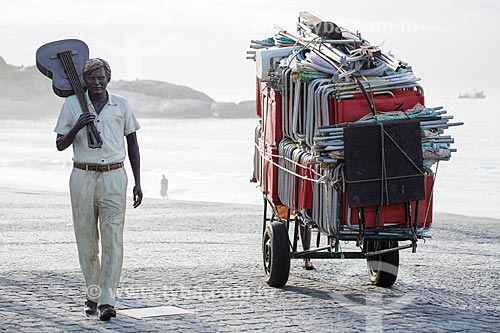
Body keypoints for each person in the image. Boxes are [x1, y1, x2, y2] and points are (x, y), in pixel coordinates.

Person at [54, 58, 142, 321]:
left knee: (113, 239)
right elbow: (60, 144)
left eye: (101, 77)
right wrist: (79, 125)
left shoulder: (122, 105)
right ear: (85, 80)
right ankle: (92, 293)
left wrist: (138, 181)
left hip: (115, 176)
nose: (97, 82)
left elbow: (133, 144)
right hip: (82, 175)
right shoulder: (71, 105)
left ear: (108, 78)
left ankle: (107, 300)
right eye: (91, 78)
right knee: (86, 241)